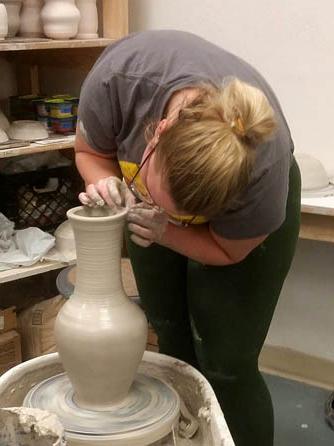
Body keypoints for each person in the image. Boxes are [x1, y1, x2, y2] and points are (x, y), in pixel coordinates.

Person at [74, 30, 301, 446]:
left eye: (187, 213)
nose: (173, 217)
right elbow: (90, 153)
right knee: (171, 341)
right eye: (164, 198)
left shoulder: (261, 169)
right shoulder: (117, 82)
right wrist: (108, 184)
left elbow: (228, 248)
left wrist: (171, 231)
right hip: (142, 198)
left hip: (239, 228)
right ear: (157, 131)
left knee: (226, 362)